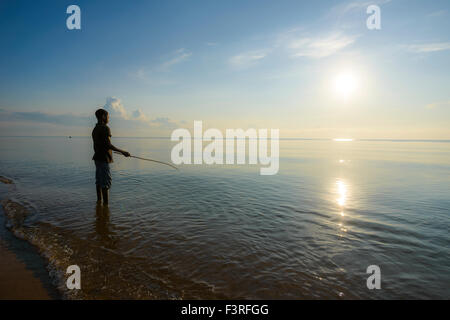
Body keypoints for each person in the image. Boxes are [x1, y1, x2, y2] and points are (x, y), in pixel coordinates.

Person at [92, 108, 130, 205]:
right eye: (108, 116)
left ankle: (99, 203)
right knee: (105, 183)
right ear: (103, 116)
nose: (109, 118)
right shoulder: (105, 128)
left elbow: (101, 144)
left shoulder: (95, 129)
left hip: (97, 158)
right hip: (104, 158)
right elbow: (108, 145)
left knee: (99, 182)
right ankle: (106, 207)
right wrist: (123, 152)